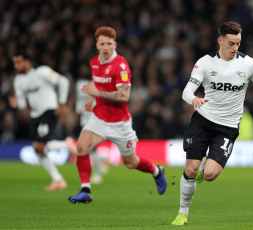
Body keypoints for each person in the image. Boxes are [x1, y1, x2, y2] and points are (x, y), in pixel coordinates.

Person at [171, 21, 253, 225]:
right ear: (220, 41)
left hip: (227, 128)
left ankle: (202, 169)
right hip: (203, 121)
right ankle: (183, 212)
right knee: (190, 169)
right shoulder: (205, 63)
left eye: (238, 43)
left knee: (208, 174)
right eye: (231, 43)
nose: (235, 48)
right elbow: (186, 91)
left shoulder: (249, 64)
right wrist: (193, 99)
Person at [68, 26, 167, 204]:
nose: (106, 48)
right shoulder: (94, 63)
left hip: (119, 123)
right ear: (97, 45)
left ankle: (157, 171)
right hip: (99, 118)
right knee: (81, 147)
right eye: (102, 44)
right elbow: (100, 84)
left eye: (109, 44)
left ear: (115, 45)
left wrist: (97, 93)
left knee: (131, 163)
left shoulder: (121, 66)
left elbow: (124, 96)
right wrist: (92, 97)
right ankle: (85, 191)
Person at [9, 51, 77, 191]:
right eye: (14, 63)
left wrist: (62, 103)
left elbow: (63, 81)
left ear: (27, 62)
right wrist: (18, 107)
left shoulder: (42, 72)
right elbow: (23, 108)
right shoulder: (18, 81)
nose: (16, 65)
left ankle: (66, 145)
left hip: (49, 110)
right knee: (38, 150)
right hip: (35, 115)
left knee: (39, 147)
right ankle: (58, 180)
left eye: (19, 62)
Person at [75, 78, 109, 184]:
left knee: (90, 149)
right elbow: (80, 105)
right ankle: (103, 159)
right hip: (84, 121)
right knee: (89, 149)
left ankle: (97, 174)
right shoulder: (81, 85)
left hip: (94, 120)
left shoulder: (98, 86)